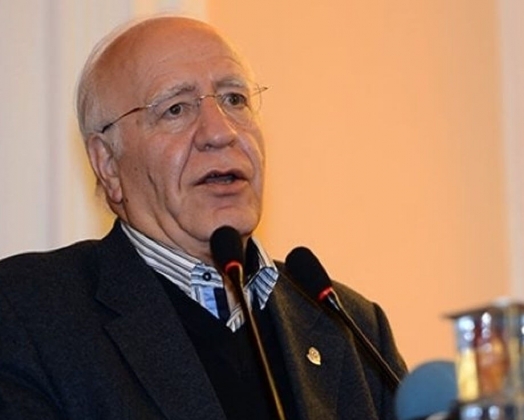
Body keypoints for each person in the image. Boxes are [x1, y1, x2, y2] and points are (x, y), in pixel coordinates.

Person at [0, 15, 407, 420]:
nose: (220, 132)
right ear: (107, 163)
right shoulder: (27, 314)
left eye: (235, 99)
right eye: (175, 109)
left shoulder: (352, 326)